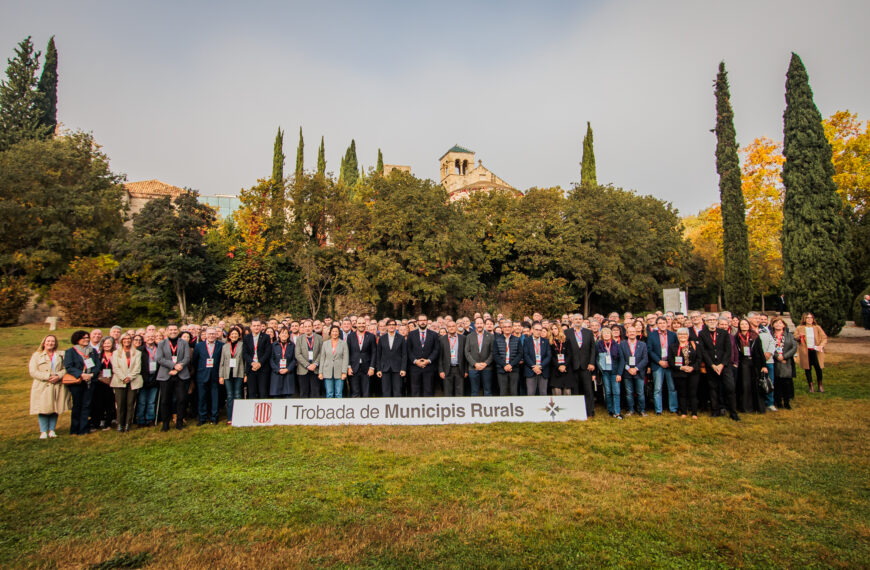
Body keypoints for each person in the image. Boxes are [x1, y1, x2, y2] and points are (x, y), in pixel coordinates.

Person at [700, 316, 739, 421]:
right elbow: (703, 351)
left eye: (713, 320)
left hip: (724, 365)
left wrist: (722, 364)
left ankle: (733, 412)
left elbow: (728, 350)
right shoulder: (702, 334)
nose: (712, 322)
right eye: (709, 320)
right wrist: (712, 365)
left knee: (730, 388)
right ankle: (715, 411)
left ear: (717, 322)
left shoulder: (724, 333)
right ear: (706, 322)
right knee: (713, 389)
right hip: (711, 365)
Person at [29, 334, 69, 438]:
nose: (50, 343)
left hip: (57, 384)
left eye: (52, 341)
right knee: (43, 408)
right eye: (48, 341)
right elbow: (33, 371)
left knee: (55, 407)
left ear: (55, 343)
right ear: (44, 342)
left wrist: (58, 376)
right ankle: (43, 431)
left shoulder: (60, 355)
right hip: (42, 385)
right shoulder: (37, 355)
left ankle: (52, 430)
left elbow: (65, 368)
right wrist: (48, 376)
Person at [156, 324, 191, 431]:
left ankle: (179, 422)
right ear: (167, 331)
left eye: (175, 329)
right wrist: (173, 365)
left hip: (181, 374)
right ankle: (165, 423)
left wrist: (178, 367)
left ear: (178, 331)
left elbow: (187, 357)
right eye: (171, 330)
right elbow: (159, 359)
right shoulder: (162, 343)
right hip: (166, 375)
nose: (173, 331)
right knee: (165, 400)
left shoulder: (184, 343)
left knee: (181, 399)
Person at [63, 330, 97, 435]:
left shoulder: (92, 351)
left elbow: (97, 365)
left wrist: (91, 375)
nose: (86, 340)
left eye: (87, 338)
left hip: (89, 382)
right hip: (77, 382)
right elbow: (69, 366)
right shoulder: (70, 351)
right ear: (78, 339)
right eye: (84, 338)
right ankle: (74, 429)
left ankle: (84, 429)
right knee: (77, 405)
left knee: (86, 405)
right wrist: (81, 374)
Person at [111, 334, 142, 432]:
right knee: (120, 404)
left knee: (130, 403)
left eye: (129, 339)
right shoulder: (116, 353)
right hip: (120, 381)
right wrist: (123, 377)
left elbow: (137, 367)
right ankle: (120, 423)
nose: (127, 340)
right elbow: (115, 367)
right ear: (121, 340)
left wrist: (130, 377)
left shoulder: (137, 353)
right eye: (125, 339)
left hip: (133, 381)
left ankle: (128, 423)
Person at [566, 315, 596, 418]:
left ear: (582, 320)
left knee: (588, 390)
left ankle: (590, 411)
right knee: (575, 390)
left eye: (580, 319)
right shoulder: (567, 333)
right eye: (576, 319)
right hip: (573, 366)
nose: (578, 321)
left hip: (586, 366)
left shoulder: (588, 332)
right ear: (572, 321)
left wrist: (591, 363)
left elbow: (593, 349)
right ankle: (576, 412)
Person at [668, 328, 701, 418]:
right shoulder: (673, 346)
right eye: (680, 334)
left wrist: (692, 367)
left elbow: (699, 359)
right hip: (679, 372)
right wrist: (681, 367)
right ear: (677, 336)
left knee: (693, 393)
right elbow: (670, 361)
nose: (682, 336)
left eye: (684, 334)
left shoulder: (694, 345)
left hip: (693, 372)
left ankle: (694, 413)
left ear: (688, 335)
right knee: (682, 393)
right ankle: (683, 412)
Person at [647, 316, 678, 415]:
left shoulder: (673, 335)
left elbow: (676, 350)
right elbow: (650, 350)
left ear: (667, 324)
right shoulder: (652, 335)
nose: (662, 325)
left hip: (670, 365)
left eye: (664, 323)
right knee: (657, 389)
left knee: (672, 388)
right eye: (660, 323)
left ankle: (673, 408)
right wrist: (659, 361)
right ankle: (658, 410)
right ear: (657, 325)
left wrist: (670, 361)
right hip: (658, 365)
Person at [192, 327, 222, 425]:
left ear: (216, 335)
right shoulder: (199, 346)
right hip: (202, 375)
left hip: (215, 375)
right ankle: (202, 417)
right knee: (202, 397)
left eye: (213, 334)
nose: (211, 336)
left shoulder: (221, 345)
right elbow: (195, 361)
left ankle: (214, 417)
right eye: (209, 334)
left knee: (215, 397)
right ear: (205, 335)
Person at [618, 324, 648, 417]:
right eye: (630, 332)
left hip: (639, 372)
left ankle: (642, 410)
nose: (632, 333)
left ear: (636, 333)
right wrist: (628, 368)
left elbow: (645, 359)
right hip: (627, 372)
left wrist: (636, 368)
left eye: (633, 332)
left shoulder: (642, 344)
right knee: (629, 393)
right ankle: (630, 410)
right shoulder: (622, 344)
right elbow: (621, 358)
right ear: (626, 334)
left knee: (640, 392)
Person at [407, 315, 440, 397]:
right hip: (415, 367)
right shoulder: (411, 334)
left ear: (427, 321)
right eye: (421, 320)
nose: (422, 322)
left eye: (424, 320)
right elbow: (408, 350)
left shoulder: (434, 334)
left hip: (429, 367)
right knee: (415, 391)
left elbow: (436, 350)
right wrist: (415, 361)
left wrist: (428, 360)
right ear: (417, 322)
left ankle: (428, 408)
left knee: (428, 390)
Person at [795, 313, 828, 393]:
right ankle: (811, 386)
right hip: (806, 351)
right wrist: (799, 337)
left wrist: (821, 346)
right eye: (807, 318)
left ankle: (820, 385)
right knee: (807, 368)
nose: (809, 319)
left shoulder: (817, 327)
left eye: (811, 318)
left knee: (818, 368)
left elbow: (824, 338)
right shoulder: (800, 328)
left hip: (816, 351)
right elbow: (795, 336)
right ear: (804, 319)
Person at [218, 326, 245, 425]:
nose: (234, 336)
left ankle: (239, 416)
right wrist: (221, 376)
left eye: (236, 334)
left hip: (239, 372)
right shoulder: (225, 346)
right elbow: (222, 362)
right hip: (227, 373)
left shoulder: (242, 345)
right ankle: (230, 417)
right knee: (229, 396)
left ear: (239, 336)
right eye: (232, 334)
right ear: (229, 336)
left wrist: (245, 374)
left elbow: (245, 360)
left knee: (238, 394)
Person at [771, 317, 797, 409]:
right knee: (777, 383)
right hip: (775, 361)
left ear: (784, 325)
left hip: (787, 361)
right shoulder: (770, 335)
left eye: (780, 323)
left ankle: (787, 402)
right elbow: (768, 347)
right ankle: (778, 401)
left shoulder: (789, 335)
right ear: (773, 325)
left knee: (786, 382)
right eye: (776, 323)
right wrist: (777, 356)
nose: (778, 324)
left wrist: (784, 356)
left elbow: (794, 347)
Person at [596, 327, 622, 419]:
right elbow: (596, 358)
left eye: (608, 333)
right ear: (602, 335)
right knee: (607, 392)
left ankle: (617, 411)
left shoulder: (616, 345)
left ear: (611, 334)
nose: (606, 335)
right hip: (605, 372)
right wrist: (600, 368)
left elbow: (621, 360)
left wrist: (619, 373)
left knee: (616, 392)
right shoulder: (599, 345)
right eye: (604, 333)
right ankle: (610, 410)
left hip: (614, 372)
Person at [465, 317, 494, 396]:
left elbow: (493, 352)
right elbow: (467, 352)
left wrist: (485, 363)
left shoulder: (491, 336)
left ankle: (488, 406)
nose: (479, 325)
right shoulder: (469, 337)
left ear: (484, 325)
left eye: (481, 323)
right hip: (473, 368)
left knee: (488, 390)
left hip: (487, 367)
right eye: (477, 323)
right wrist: (475, 364)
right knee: (474, 391)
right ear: (474, 325)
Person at [346, 318, 376, 397]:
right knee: (355, 393)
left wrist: (372, 367)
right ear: (356, 324)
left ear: (365, 324)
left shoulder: (371, 336)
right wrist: (348, 367)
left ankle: (366, 408)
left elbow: (374, 352)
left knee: (366, 393)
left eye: (363, 323)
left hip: (367, 368)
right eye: (359, 323)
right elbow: (347, 352)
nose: (361, 325)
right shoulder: (350, 336)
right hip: (354, 368)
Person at [377, 319, 407, 397]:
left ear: (396, 326)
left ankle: (397, 408)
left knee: (397, 391)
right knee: (386, 391)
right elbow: (379, 355)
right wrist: (379, 369)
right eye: (389, 325)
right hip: (385, 369)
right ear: (387, 326)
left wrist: (403, 369)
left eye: (393, 325)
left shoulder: (401, 338)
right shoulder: (382, 338)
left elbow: (404, 355)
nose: (391, 326)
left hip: (397, 369)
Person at [243, 319, 272, 399]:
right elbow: (245, 353)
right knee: (252, 392)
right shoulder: (246, 338)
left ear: (261, 327)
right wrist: (252, 363)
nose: (256, 327)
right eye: (254, 326)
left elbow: (268, 352)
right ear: (251, 327)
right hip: (251, 368)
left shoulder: (266, 337)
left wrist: (259, 363)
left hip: (262, 368)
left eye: (258, 325)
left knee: (263, 392)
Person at [92, 337, 117, 430]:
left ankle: (108, 422)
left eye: (109, 343)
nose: (106, 345)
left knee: (110, 403)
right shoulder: (98, 355)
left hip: (111, 381)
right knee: (98, 403)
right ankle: (98, 421)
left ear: (112, 344)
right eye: (105, 343)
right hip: (100, 381)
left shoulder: (116, 355)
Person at [295, 320, 324, 398]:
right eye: (305, 327)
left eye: (309, 326)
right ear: (303, 328)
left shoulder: (319, 338)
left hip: (315, 369)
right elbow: (297, 354)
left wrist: (315, 364)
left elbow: (321, 352)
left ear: (312, 327)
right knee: (304, 392)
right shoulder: (299, 339)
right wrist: (307, 365)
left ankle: (315, 409)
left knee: (315, 392)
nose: (307, 328)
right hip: (303, 369)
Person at [493, 319, 521, 396]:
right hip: (501, 369)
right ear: (502, 329)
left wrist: (511, 365)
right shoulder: (497, 340)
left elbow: (519, 354)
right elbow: (495, 355)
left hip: (514, 369)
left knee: (514, 391)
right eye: (505, 327)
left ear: (512, 328)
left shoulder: (517, 340)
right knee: (503, 391)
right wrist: (504, 365)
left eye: (509, 327)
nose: (507, 328)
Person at [319, 326, 349, 398]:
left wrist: (344, 372)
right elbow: (322, 358)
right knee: (329, 393)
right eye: (333, 331)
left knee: (339, 393)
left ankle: (339, 408)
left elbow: (345, 358)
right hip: (327, 371)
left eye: (336, 331)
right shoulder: (325, 344)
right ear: (330, 333)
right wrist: (320, 372)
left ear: (339, 333)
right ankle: (329, 408)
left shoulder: (343, 344)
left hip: (339, 371)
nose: (334, 333)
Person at [137, 331, 159, 427]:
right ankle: (141, 420)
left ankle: (150, 419)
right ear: (144, 339)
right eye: (148, 337)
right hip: (143, 377)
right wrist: (144, 378)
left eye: (152, 336)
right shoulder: (140, 350)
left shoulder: (159, 349)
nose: (150, 338)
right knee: (142, 401)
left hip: (155, 377)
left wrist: (156, 378)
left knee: (151, 401)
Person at [440, 321, 467, 396]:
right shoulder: (442, 339)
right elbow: (440, 357)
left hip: (459, 369)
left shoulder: (463, 338)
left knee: (460, 392)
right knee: (448, 392)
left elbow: (466, 356)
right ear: (447, 328)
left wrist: (466, 370)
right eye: (449, 326)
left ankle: (459, 407)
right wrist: (441, 370)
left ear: (456, 327)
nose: (451, 328)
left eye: (453, 326)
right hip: (447, 369)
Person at [522, 322, 550, 396]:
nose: (538, 332)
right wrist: (534, 366)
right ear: (532, 330)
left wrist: (540, 366)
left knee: (543, 393)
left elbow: (548, 356)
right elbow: (525, 355)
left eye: (540, 330)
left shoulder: (546, 341)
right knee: (531, 393)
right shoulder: (527, 340)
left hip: (543, 370)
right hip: (531, 370)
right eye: (536, 329)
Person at [270, 327, 296, 398]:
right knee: (277, 397)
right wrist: (277, 369)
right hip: (276, 374)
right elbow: (271, 359)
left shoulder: (292, 345)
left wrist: (288, 369)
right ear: (279, 335)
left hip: (288, 374)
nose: (284, 335)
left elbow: (294, 359)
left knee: (288, 397)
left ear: (288, 335)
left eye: (286, 333)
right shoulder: (274, 345)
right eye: (282, 333)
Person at [549, 324, 575, 396]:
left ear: (559, 329)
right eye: (552, 329)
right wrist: (558, 366)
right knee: (556, 391)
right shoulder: (550, 342)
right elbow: (551, 356)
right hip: (555, 369)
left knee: (567, 391)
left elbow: (569, 354)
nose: (554, 330)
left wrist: (564, 365)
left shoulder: (566, 340)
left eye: (555, 328)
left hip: (566, 368)